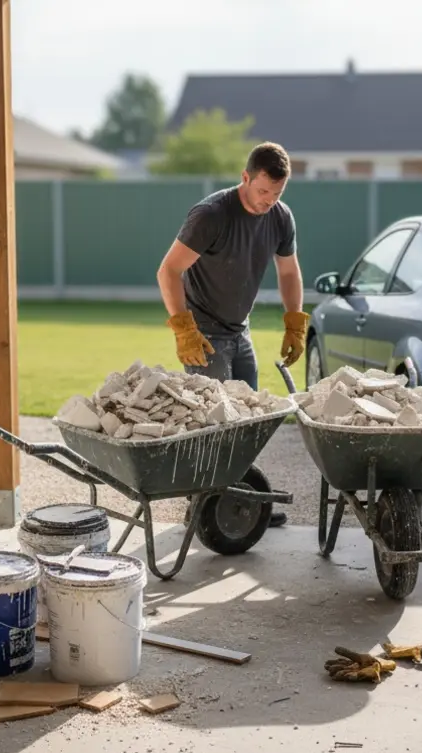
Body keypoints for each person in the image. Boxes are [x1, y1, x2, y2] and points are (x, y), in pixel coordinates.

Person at [156, 141, 308, 528]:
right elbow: (168, 271)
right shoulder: (212, 215)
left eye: (277, 193)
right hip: (204, 334)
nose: (268, 201)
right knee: (214, 425)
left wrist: (294, 321)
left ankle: (247, 503)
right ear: (245, 178)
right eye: (262, 191)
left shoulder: (280, 217)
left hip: (241, 331)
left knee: (246, 425)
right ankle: (203, 511)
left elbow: (288, 272)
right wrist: (183, 329)